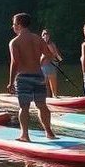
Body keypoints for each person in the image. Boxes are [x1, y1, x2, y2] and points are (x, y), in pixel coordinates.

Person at [6, 13, 57, 141]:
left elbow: (15, 63)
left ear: (18, 24)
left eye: (13, 24)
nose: (13, 26)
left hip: (23, 77)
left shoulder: (14, 42)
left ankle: (24, 135)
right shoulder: (38, 39)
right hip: (39, 75)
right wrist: (39, 62)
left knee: (24, 107)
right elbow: (50, 55)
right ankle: (49, 133)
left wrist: (11, 82)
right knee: (42, 105)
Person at [40, 29, 63, 97]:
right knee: (45, 83)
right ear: (42, 36)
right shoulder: (42, 44)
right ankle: (47, 96)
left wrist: (59, 60)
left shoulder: (50, 44)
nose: (46, 37)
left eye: (47, 36)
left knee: (52, 81)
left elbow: (53, 53)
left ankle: (54, 95)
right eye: (44, 36)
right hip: (44, 65)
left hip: (50, 64)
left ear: (49, 36)